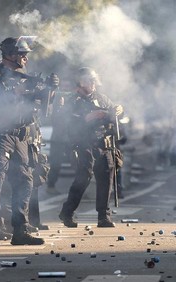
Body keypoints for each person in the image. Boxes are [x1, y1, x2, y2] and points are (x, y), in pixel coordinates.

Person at [0, 36, 57, 247]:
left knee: (25, 181)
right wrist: (14, 92)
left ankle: (20, 231)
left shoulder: (25, 78)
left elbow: (43, 109)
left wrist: (50, 89)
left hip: (21, 136)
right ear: (10, 55)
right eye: (22, 54)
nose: (25, 59)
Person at [59, 67, 123, 228]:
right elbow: (68, 123)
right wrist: (88, 118)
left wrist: (118, 110)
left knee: (106, 179)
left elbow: (114, 111)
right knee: (83, 177)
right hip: (84, 143)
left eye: (93, 80)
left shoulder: (101, 98)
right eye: (88, 80)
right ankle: (67, 212)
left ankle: (104, 216)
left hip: (104, 143)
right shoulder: (72, 101)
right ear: (80, 83)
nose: (93, 83)